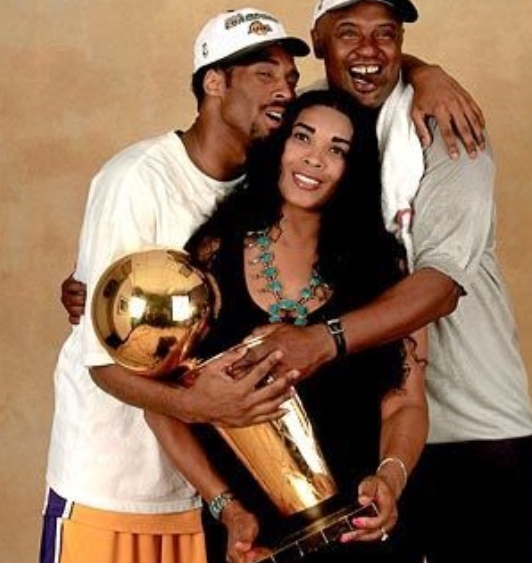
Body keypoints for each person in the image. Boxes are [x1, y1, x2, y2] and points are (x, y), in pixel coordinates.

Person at [237, 0, 532, 562]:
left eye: (388, 34)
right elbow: (228, 212)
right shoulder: (312, 145)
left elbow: (440, 287)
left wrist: (320, 342)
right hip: (367, 440)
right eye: (348, 33)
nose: (370, 50)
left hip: (469, 425)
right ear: (318, 42)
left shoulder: (447, 131)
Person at [40, 8, 314, 563]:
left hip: (207, 498)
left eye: (290, 77)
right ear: (214, 82)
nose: (285, 90)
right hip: (110, 482)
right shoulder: (137, 179)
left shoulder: (273, 187)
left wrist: (424, 71)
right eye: (265, 73)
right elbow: (103, 361)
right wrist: (199, 404)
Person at [144, 88, 429, 563]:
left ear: (353, 171)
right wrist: (226, 508)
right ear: (278, 146)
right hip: (251, 541)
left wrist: (391, 480)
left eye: (337, 150)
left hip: (362, 527)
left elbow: (406, 401)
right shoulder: (214, 256)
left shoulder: (383, 270)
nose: (314, 159)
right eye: (303, 138)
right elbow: (161, 403)